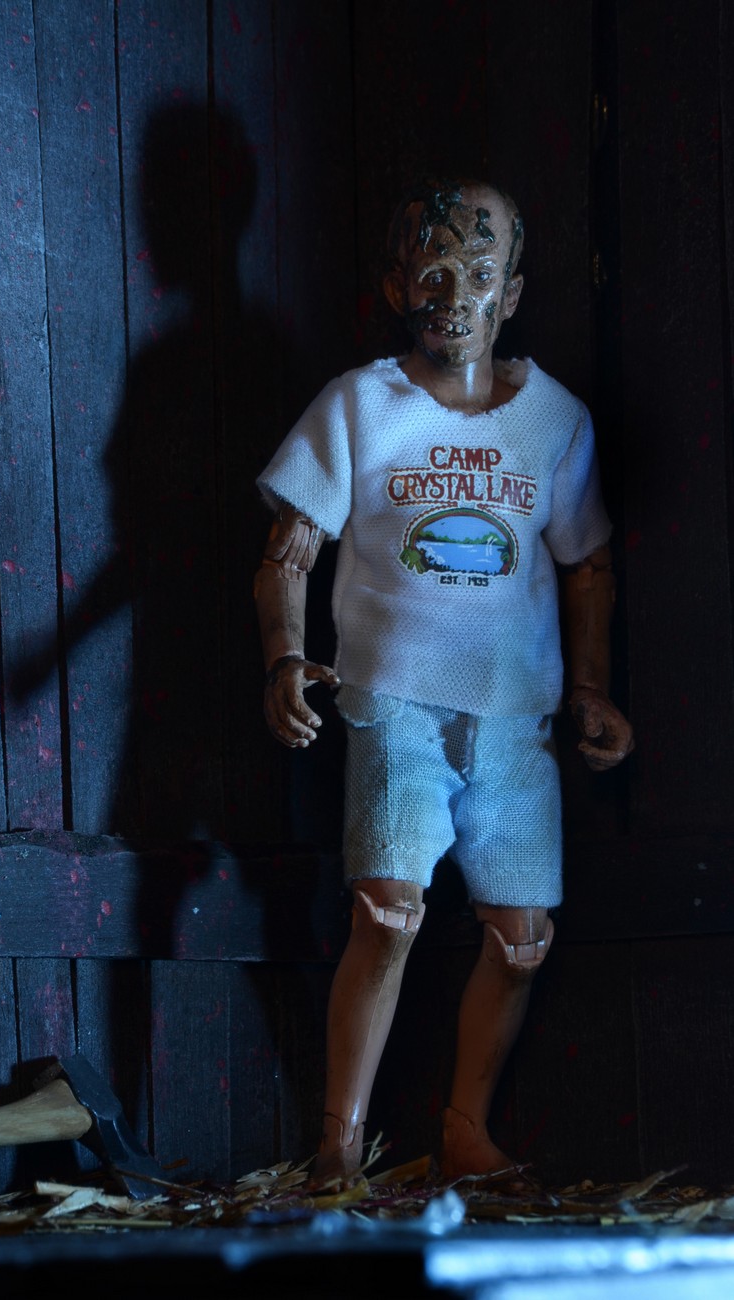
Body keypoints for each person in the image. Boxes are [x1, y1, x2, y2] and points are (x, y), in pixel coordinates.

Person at [253, 178, 633, 1188]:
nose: (452, 296)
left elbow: (587, 564)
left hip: (517, 716)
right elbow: (288, 554)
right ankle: (339, 1147)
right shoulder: (359, 406)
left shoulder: (554, 421)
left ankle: (466, 1131)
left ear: (511, 294)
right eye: (431, 274)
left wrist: (592, 689)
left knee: (522, 936)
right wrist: (284, 658)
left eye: (476, 273)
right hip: (396, 701)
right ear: (395, 288)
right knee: (388, 909)